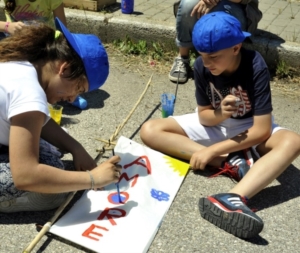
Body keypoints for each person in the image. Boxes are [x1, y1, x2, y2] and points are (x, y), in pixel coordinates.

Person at [140, 12, 300, 238]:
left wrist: (211, 149)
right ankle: (232, 161)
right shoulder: (201, 66)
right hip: (218, 125)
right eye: (202, 55)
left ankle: (232, 197)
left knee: (293, 141)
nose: (206, 63)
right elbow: (204, 116)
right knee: (150, 130)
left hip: (251, 129)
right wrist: (219, 113)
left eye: (213, 56)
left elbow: (262, 129)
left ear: (236, 48)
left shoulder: (255, 64)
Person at [0, 17, 122, 213]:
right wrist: (92, 179)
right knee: (52, 186)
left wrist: (75, 147)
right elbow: (25, 175)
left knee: (52, 160)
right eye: (78, 89)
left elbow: (37, 122)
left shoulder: (24, 63)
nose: (72, 99)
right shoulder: (29, 93)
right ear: (65, 69)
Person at [0, 0, 87, 110]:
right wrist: (7, 26)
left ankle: (68, 90)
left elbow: (63, 29)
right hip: (17, 46)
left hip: (44, 46)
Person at [169, 0, 262, 84]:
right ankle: (183, 57)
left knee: (223, 14)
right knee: (188, 5)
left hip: (238, 6)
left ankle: (229, 66)